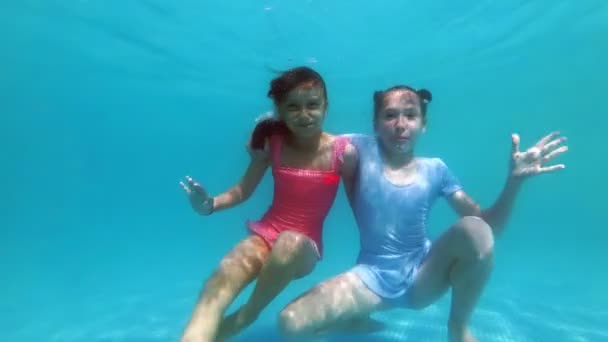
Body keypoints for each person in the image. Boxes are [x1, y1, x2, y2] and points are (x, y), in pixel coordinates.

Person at [277, 85, 568, 342]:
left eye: (410, 115)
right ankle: (355, 319)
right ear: (375, 124)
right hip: (369, 278)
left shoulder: (436, 169)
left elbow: (489, 230)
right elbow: (309, 134)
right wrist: (270, 128)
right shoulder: (358, 149)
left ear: (423, 125)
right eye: (390, 115)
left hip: (422, 277)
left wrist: (513, 182)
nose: (400, 124)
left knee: (474, 229)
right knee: (289, 324)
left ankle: (458, 328)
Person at [179, 66, 356, 342]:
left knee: (289, 242)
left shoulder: (342, 153)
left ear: (326, 106)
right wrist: (209, 204)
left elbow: (362, 205)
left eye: (312, 105)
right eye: (293, 107)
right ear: (280, 111)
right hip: (265, 235)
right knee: (218, 284)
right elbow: (242, 190)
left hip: (304, 247)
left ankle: (247, 315)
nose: (305, 114)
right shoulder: (272, 145)